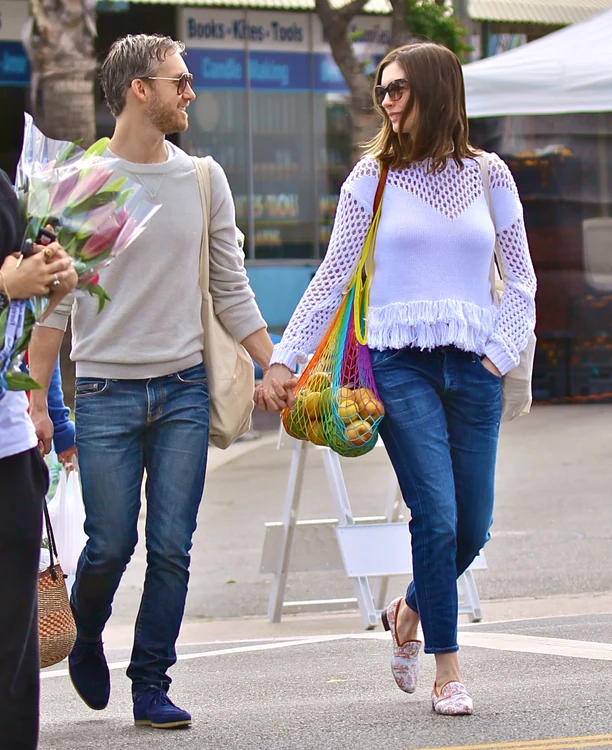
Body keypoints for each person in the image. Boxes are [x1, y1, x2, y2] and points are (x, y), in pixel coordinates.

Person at [258, 42, 537, 715]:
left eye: (400, 89)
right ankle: (448, 670)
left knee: (474, 525)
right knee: (435, 517)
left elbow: (522, 277)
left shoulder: (491, 175)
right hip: (399, 364)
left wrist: (500, 355)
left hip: (474, 369)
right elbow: (331, 276)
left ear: (439, 91)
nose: (387, 101)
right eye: (382, 89)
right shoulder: (371, 177)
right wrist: (283, 359)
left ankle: (408, 608)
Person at [28, 34, 278, 729]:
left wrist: (274, 360)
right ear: (140, 89)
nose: (190, 91)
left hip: (184, 391)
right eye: (179, 80)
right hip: (105, 393)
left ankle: (149, 681)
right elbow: (54, 303)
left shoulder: (203, 178)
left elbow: (230, 285)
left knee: (173, 543)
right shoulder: (78, 181)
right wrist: (35, 400)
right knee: (110, 542)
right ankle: (85, 627)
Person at [0, 169, 77, 750]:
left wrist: (53, 280)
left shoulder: (4, 188)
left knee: (13, 657)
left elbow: (20, 317)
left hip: (8, 448)